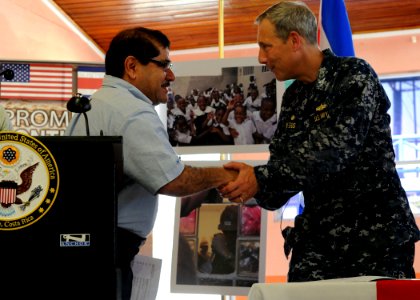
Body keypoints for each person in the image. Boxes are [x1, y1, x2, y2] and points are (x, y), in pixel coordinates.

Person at [220, 0, 420, 282]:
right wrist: (245, 184)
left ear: (294, 40)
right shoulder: (293, 98)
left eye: (266, 46)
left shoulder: (354, 75)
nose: (261, 58)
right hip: (318, 245)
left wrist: (261, 177)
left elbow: (334, 151)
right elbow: (282, 172)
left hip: (376, 240)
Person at [65, 27, 237, 300]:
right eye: (163, 65)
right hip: (108, 251)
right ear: (131, 66)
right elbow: (174, 180)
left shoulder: (99, 103)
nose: (171, 76)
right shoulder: (132, 112)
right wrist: (227, 174)